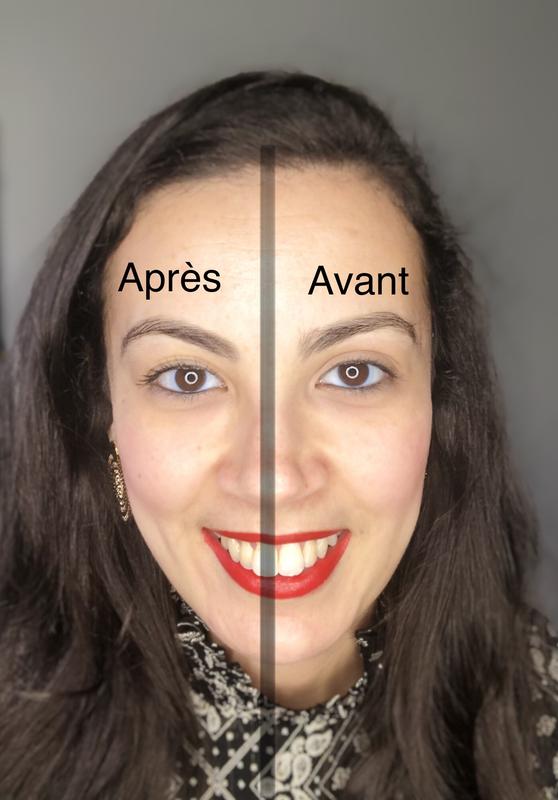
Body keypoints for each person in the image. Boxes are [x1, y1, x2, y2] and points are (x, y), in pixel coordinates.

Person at [0, 70, 557, 800]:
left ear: (439, 399)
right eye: (188, 378)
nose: (273, 476)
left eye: (353, 372)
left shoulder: (539, 711)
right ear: (102, 415)